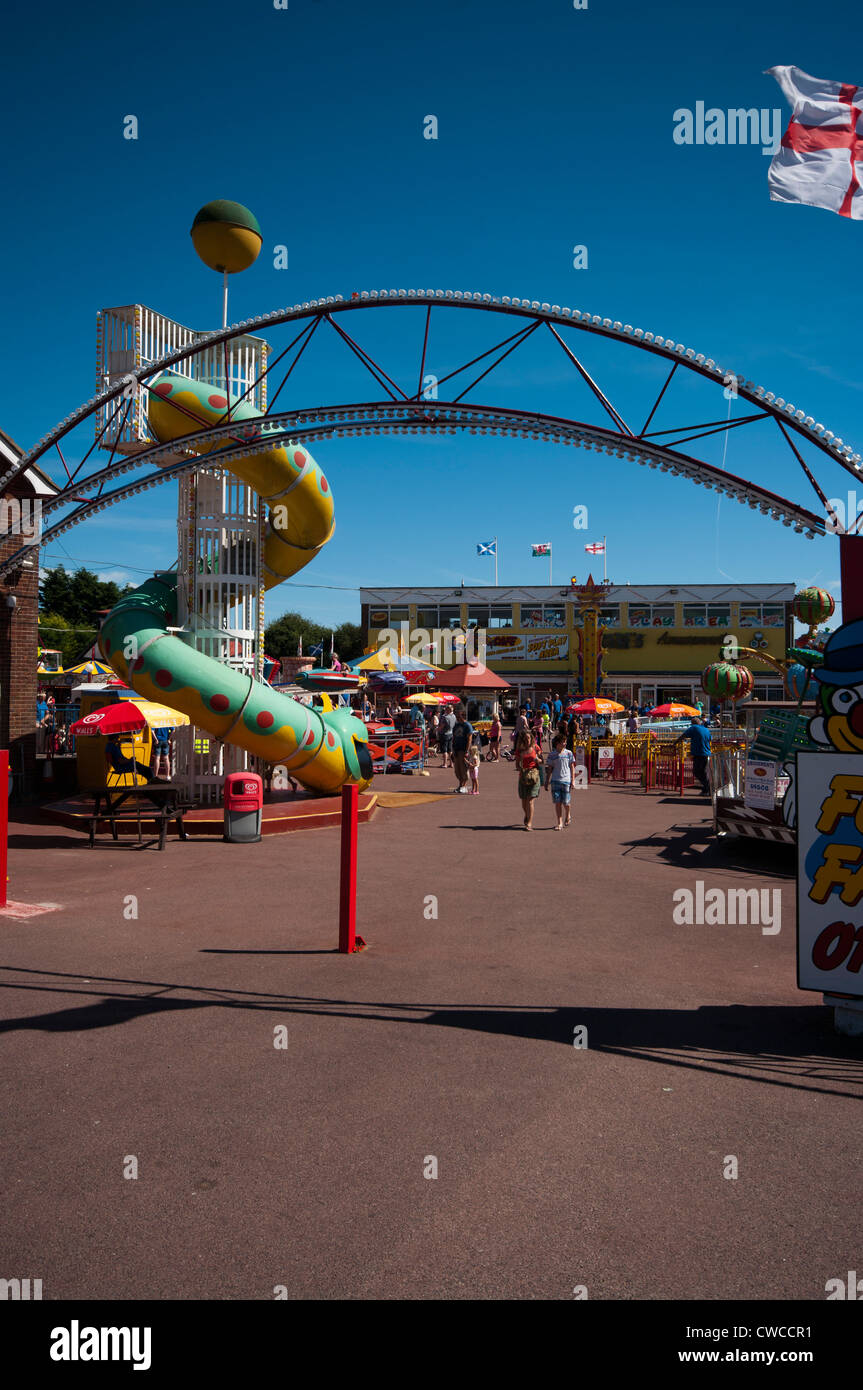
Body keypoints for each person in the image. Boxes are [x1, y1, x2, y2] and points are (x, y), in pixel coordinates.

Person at [546, 733, 576, 829]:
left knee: (566, 803)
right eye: (563, 742)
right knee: (557, 802)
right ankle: (559, 822)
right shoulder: (552, 755)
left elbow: (572, 767)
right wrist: (547, 781)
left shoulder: (569, 753)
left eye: (565, 742)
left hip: (566, 780)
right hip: (555, 780)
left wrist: (573, 780)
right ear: (557, 743)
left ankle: (568, 814)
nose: (564, 743)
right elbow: (549, 768)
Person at [675, 716, 712, 795]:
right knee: (703, 772)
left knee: (697, 772)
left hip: (699, 753)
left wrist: (675, 743)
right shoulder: (706, 729)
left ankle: (708, 787)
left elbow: (683, 736)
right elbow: (710, 739)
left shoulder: (693, 728)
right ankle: (706, 789)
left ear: (692, 723)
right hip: (706, 753)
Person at [515, 729, 542, 829]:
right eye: (525, 738)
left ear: (531, 738)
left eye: (529, 738)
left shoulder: (535, 747)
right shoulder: (519, 750)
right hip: (523, 776)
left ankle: (529, 823)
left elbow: (541, 760)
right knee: (523, 802)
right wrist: (520, 766)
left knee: (530, 800)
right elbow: (517, 765)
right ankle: (527, 815)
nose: (527, 740)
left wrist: (537, 760)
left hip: (534, 776)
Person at [451, 706, 475, 793]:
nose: (457, 718)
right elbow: (453, 737)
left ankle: (463, 786)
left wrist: (467, 751)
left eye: (458, 716)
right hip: (456, 749)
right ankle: (460, 785)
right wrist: (452, 749)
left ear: (463, 716)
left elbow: (469, 739)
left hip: (463, 749)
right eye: (456, 716)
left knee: (463, 768)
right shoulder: (456, 725)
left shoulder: (467, 725)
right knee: (457, 769)